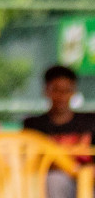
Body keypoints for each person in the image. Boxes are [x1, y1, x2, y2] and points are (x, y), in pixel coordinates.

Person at [23, 65, 95, 198]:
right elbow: (29, 162)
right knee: (55, 180)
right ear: (46, 91)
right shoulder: (33, 125)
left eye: (66, 90)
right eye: (56, 90)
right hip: (52, 183)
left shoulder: (90, 121)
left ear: (73, 91)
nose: (61, 96)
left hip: (89, 181)